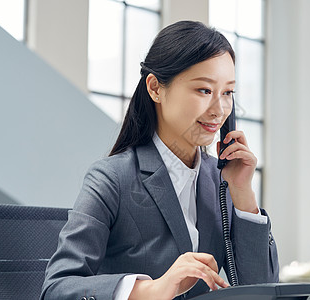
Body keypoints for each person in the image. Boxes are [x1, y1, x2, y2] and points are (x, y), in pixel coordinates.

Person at [40, 20, 279, 300]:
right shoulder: (112, 179)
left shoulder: (222, 183)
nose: (219, 110)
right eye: (204, 90)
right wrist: (153, 289)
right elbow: (56, 289)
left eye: (227, 93)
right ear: (155, 88)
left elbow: (263, 289)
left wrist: (243, 194)